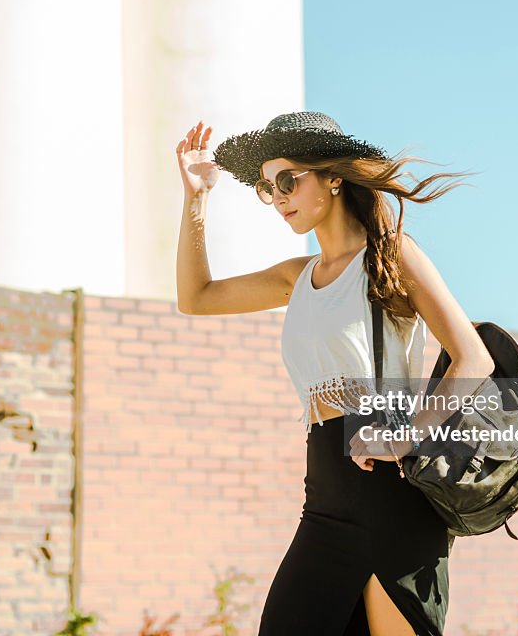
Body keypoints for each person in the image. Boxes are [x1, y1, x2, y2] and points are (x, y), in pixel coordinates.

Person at [174, 111, 495, 636]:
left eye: (286, 180)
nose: (276, 196)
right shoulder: (295, 277)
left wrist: (408, 438)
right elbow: (196, 298)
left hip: (392, 491)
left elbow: (473, 358)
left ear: (333, 176)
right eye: (265, 187)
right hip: (325, 494)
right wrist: (196, 200)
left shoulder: (390, 257)